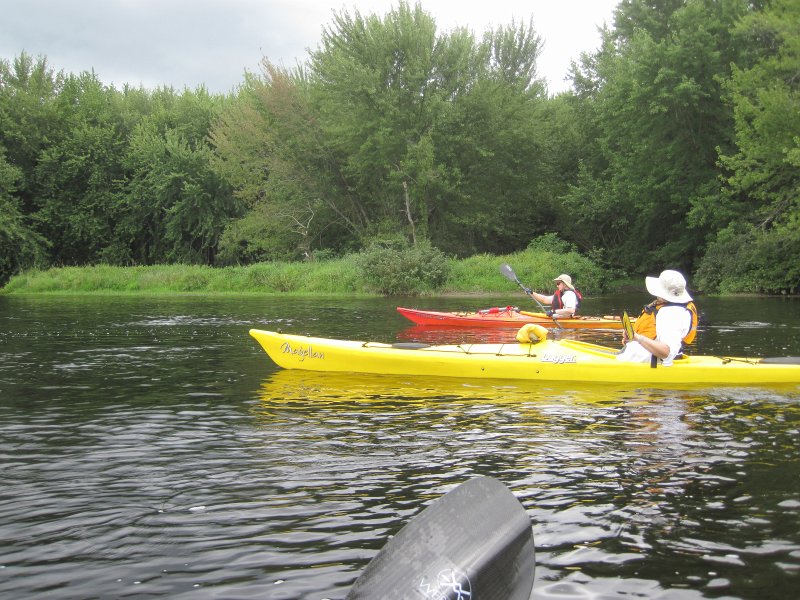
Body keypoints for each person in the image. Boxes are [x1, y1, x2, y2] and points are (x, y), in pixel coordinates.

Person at [617, 269, 698, 366]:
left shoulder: (670, 314)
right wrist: (633, 339)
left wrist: (637, 337)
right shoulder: (679, 307)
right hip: (656, 355)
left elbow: (666, 352)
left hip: (653, 361)